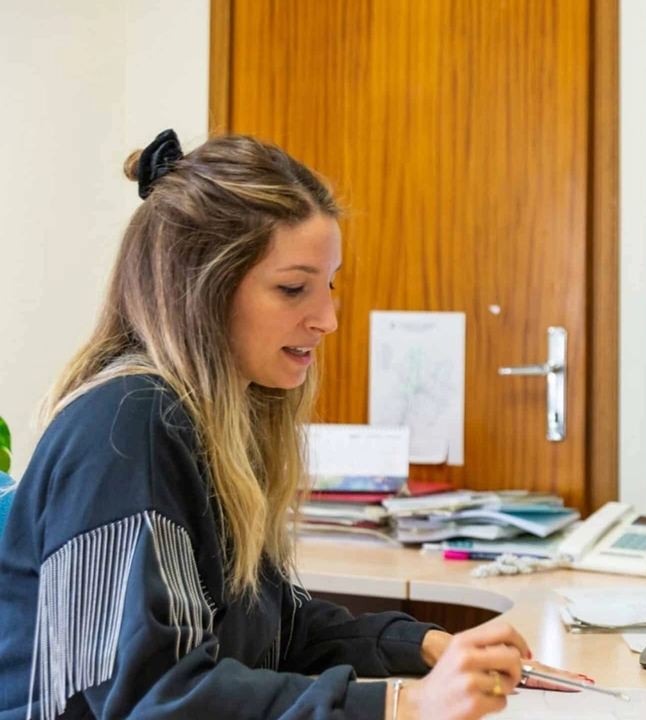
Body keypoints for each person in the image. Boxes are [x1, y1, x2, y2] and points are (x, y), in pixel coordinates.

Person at [0, 130, 587, 720]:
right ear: (199, 289)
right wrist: (400, 704)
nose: (328, 318)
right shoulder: (130, 425)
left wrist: (426, 646)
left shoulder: (214, 418)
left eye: (328, 285)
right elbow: (155, 699)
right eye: (292, 288)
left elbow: (273, 625)